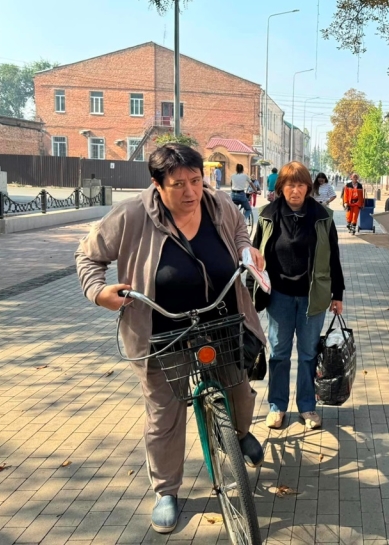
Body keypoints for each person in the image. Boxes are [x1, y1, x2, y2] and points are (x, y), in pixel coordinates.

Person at [75, 144, 268, 534]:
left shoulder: (219, 206)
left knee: (240, 390)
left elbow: (239, 232)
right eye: (178, 184)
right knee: (164, 412)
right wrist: (98, 291)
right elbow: (88, 256)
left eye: (196, 181)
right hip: (162, 330)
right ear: (157, 185)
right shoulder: (131, 214)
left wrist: (247, 250)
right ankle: (166, 491)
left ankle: (241, 434)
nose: (190, 192)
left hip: (221, 317)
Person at [252, 162, 345, 431]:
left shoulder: (323, 217)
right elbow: (255, 255)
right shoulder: (267, 215)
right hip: (279, 296)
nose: (295, 190)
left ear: (308, 187)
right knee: (279, 353)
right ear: (281, 187)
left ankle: (307, 406)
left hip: (312, 297)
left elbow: (334, 259)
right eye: (290, 184)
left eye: (301, 184)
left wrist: (337, 294)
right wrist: (250, 292)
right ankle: (277, 406)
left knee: (308, 354)